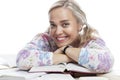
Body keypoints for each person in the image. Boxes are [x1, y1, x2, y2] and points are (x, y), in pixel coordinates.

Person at [16, 0, 114, 73]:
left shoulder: (90, 40)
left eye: (65, 24)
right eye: (53, 25)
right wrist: (68, 58)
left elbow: (107, 61)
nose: (58, 32)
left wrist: (66, 49)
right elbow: (21, 59)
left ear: (79, 25)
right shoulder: (45, 39)